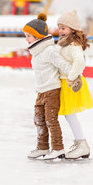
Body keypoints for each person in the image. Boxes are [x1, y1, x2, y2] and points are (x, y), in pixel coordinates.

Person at [24, 13, 72, 160]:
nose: (26, 39)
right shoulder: (36, 52)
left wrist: (73, 74)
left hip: (52, 91)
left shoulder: (49, 51)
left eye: (29, 36)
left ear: (37, 36)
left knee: (51, 120)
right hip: (41, 91)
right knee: (38, 119)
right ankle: (42, 147)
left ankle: (58, 148)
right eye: (25, 36)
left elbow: (63, 64)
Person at [57, 9, 93, 159]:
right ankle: (81, 144)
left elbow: (80, 61)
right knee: (69, 115)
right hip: (65, 82)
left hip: (70, 84)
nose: (60, 31)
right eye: (59, 27)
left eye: (63, 28)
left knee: (70, 115)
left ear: (72, 29)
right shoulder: (65, 44)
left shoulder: (73, 45)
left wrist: (71, 77)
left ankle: (82, 144)